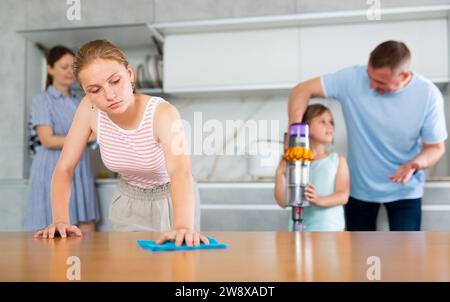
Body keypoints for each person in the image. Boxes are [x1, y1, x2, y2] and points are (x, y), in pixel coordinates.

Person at [34, 40, 206, 247]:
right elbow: (64, 168)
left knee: (175, 270)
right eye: (95, 90)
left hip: (173, 201)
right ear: (86, 92)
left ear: (130, 74)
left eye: (115, 81)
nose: (109, 95)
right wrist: (60, 221)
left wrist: (183, 226)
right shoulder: (89, 109)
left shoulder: (163, 113)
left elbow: (181, 172)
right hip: (127, 201)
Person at [288, 40, 447, 231]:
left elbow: (436, 148)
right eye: (369, 76)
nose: (370, 85)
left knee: (408, 256)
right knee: (359, 257)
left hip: (405, 191)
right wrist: (295, 137)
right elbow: (301, 90)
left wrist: (414, 164)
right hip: (359, 190)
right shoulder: (352, 79)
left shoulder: (428, 95)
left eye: (380, 81)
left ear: (404, 75)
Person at [24, 46, 99, 233]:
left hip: (80, 170)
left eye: (72, 67)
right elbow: (47, 140)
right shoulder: (43, 100)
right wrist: (86, 138)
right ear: (50, 69)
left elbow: (95, 132)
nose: (69, 72)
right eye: (63, 66)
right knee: (54, 231)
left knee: (86, 227)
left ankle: (83, 264)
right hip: (52, 169)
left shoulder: (81, 100)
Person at [275, 104, 350, 231]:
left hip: (329, 229)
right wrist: (279, 174)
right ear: (305, 127)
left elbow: (343, 196)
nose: (330, 126)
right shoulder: (294, 162)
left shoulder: (337, 161)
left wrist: (318, 199)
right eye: (323, 121)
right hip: (299, 228)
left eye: (331, 122)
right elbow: (282, 202)